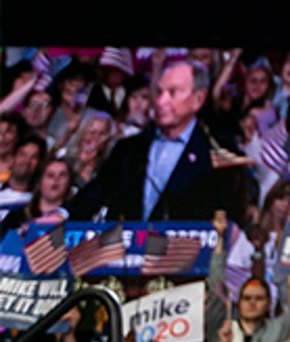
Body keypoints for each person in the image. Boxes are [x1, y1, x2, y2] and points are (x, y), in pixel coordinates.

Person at [69, 57, 254, 221]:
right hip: (129, 255)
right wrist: (62, 214)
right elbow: (99, 192)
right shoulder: (128, 148)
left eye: (173, 93)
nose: (160, 102)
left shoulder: (221, 153)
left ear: (198, 99)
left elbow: (231, 218)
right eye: (159, 92)